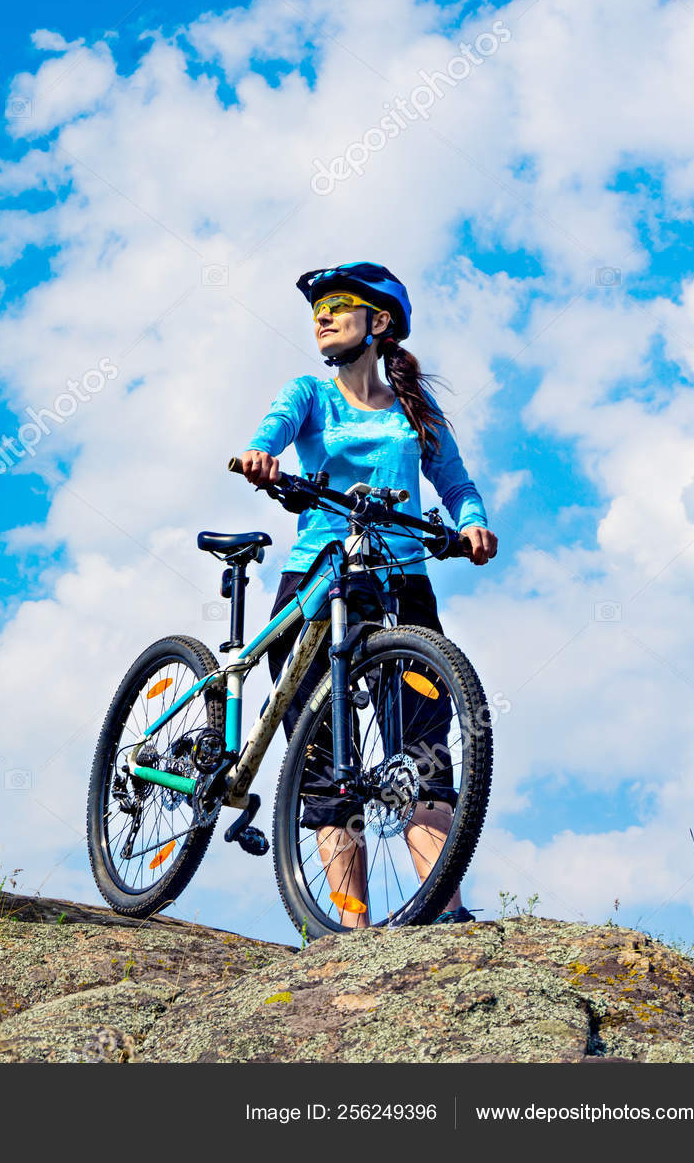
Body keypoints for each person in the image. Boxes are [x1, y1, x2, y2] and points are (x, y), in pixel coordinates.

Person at [238, 262, 499, 927]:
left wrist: (470, 523)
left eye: (338, 305)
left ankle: (443, 911)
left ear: (378, 323)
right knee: (325, 753)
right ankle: (346, 934)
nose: (321, 316)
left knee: (423, 747)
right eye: (316, 308)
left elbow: (457, 484)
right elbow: (268, 432)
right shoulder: (309, 395)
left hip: (401, 585)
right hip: (319, 577)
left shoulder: (415, 412)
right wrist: (261, 457)